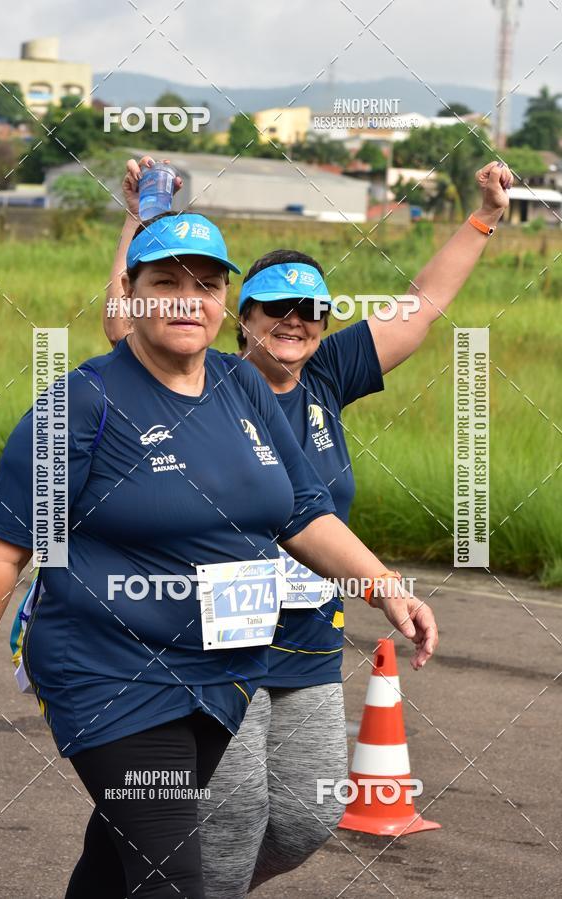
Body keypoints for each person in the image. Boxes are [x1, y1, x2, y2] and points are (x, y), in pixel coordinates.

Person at [0, 212, 437, 899]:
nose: (188, 300)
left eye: (207, 285)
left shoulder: (242, 385)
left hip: (221, 677)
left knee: (117, 863)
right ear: (130, 294)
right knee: (174, 876)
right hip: (111, 674)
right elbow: (0, 555)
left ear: (224, 302)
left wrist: (386, 586)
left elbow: (304, 511)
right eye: (166, 283)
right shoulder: (81, 403)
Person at [102, 157, 509, 897]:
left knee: (304, 818)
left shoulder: (327, 375)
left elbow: (423, 302)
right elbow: (130, 318)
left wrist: (483, 218)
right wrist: (142, 215)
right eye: (275, 308)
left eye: (311, 310)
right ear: (242, 317)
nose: (294, 322)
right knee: (230, 817)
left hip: (309, 639)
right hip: (216, 640)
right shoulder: (198, 375)